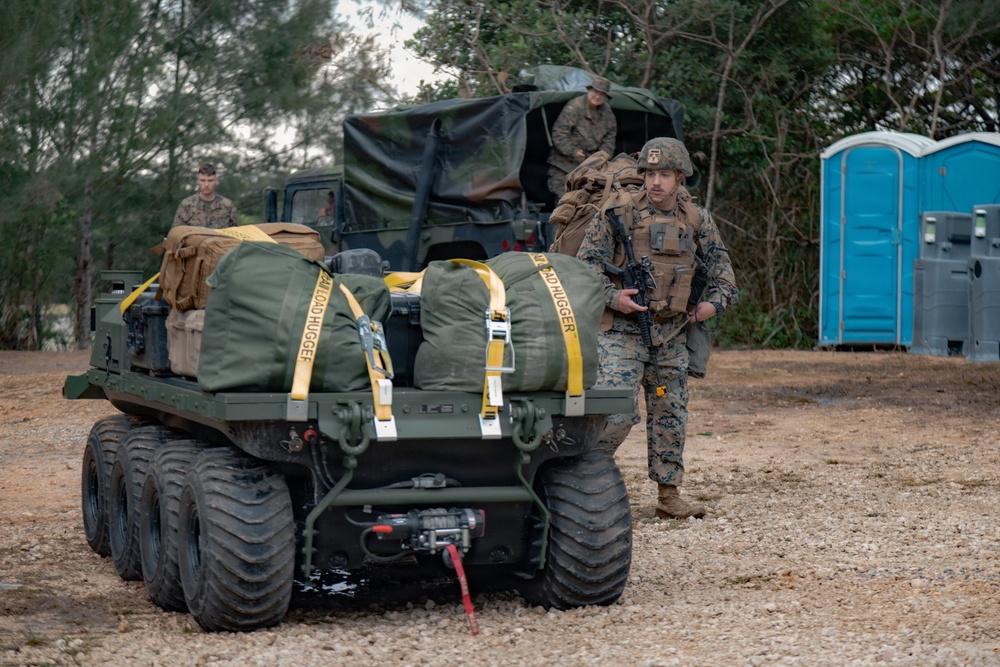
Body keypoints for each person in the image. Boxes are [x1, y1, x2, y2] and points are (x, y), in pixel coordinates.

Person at [576, 137, 738, 519]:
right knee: (612, 414)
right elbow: (585, 269)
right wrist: (616, 300)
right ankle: (583, 487)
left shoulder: (697, 219)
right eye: (649, 174)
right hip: (622, 331)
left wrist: (712, 305)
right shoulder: (618, 214)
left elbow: (724, 274)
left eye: (664, 174)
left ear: (679, 178)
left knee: (671, 412)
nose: (655, 182)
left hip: (671, 334)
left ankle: (668, 496)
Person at [547, 76, 617, 200]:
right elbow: (559, 133)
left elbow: (609, 139)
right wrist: (573, 151)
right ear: (589, 90)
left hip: (591, 169)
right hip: (565, 167)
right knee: (566, 204)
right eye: (595, 92)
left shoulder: (607, 113)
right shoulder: (574, 107)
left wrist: (601, 156)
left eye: (602, 94)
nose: (597, 96)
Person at [172, 162, 238, 229]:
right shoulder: (186, 206)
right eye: (203, 180)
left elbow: (235, 234)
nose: (206, 184)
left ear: (216, 181)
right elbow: (176, 234)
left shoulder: (228, 206)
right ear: (198, 181)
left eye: (210, 180)